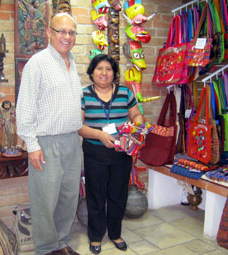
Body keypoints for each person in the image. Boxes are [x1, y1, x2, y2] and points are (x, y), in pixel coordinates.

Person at [16, 13, 82, 255]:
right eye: (61, 31)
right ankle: (45, 249)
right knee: (45, 200)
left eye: (71, 32)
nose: (66, 37)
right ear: (48, 32)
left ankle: (62, 243)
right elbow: (24, 108)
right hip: (46, 143)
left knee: (68, 197)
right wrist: (32, 145)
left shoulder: (72, 62)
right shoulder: (38, 63)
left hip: (72, 142)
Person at [78, 54, 144, 254]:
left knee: (118, 194)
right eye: (99, 68)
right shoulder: (83, 94)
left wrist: (137, 127)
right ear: (92, 72)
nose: (104, 73)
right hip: (94, 151)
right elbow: (78, 126)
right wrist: (99, 135)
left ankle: (115, 233)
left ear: (114, 73)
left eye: (108, 69)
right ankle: (96, 236)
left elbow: (137, 115)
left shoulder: (125, 93)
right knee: (96, 195)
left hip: (121, 151)